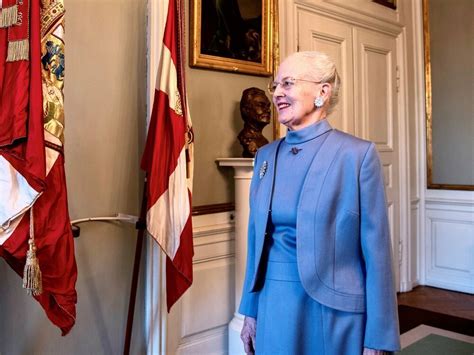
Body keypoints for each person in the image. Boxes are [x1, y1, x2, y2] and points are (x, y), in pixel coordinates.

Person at [239, 51, 400, 355]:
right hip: (274, 305)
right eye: (275, 85)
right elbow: (255, 242)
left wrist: (379, 336)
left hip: (334, 312)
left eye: (288, 83)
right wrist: (250, 311)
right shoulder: (265, 157)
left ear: (322, 92)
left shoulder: (357, 156)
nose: (277, 94)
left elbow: (376, 252)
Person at [238, 87, 271, 158]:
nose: (268, 110)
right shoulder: (247, 139)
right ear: (246, 110)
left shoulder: (263, 140)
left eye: (268, 106)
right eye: (261, 105)